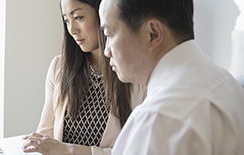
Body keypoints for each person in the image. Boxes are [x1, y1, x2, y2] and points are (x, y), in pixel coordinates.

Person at [99, 0, 244, 154]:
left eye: (109, 34)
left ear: (152, 33)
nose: (106, 51)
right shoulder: (227, 82)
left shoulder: (156, 121)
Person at [22, 0, 147, 155]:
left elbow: (140, 150)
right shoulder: (59, 67)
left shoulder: (139, 75)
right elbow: (45, 136)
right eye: (66, 20)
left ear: (104, 13)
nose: (72, 29)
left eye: (78, 17)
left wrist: (70, 150)